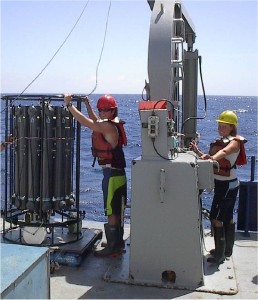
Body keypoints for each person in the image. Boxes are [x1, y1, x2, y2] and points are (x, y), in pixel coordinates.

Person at [64, 94, 127, 258]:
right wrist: (87, 104)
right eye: (100, 110)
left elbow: (86, 122)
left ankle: (113, 247)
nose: (102, 113)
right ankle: (117, 242)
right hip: (115, 172)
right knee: (114, 208)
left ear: (113, 111)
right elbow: (94, 120)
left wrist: (69, 105)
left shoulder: (107, 127)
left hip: (112, 174)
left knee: (111, 210)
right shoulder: (109, 124)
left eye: (106, 110)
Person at [190, 110, 247, 265]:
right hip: (225, 184)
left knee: (216, 218)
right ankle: (226, 250)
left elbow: (224, 152)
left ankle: (219, 255)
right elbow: (213, 159)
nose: (220, 129)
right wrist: (197, 152)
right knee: (227, 217)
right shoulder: (224, 140)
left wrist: (212, 158)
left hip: (227, 186)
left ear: (231, 127)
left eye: (223, 126)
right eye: (219, 126)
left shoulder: (235, 142)